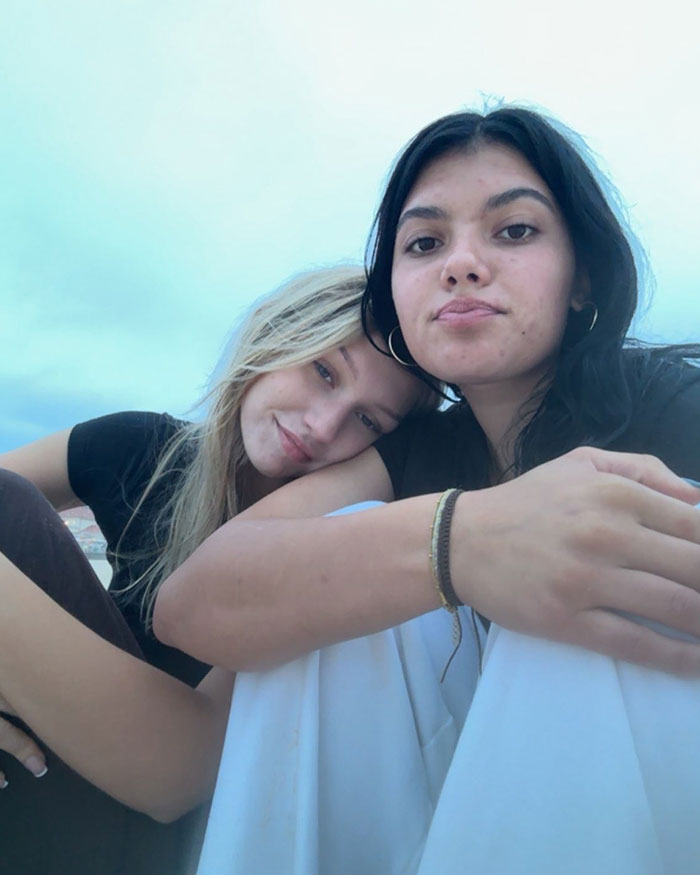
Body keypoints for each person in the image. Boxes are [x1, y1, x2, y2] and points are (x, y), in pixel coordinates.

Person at [151, 107, 700, 873]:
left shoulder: (667, 405)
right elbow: (194, 601)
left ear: (582, 281)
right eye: (425, 242)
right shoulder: (416, 452)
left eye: (514, 231)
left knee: (594, 579)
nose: (462, 264)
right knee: (330, 593)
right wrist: (463, 542)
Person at [0, 265, 435, 875]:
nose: (322, 425)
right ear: (276, 337)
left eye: (368, 421)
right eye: (323, 371)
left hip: (163, 835)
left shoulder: (331, 534)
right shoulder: (142, 450)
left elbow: (180, 778)